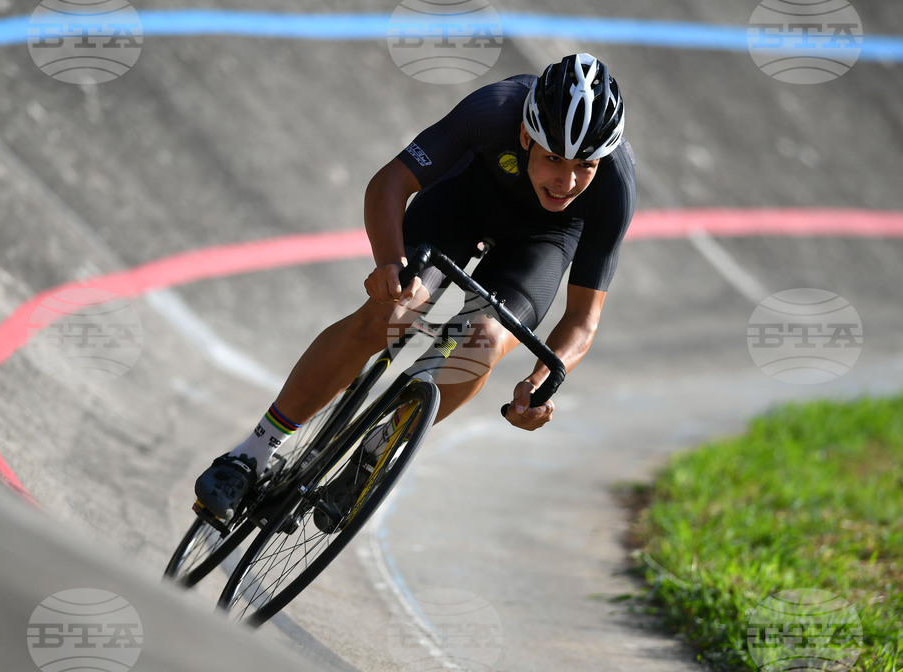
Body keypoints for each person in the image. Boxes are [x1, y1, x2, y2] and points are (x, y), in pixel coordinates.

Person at [194, 52, 636, 526]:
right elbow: (391, 182)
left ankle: (375, 454)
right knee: (392, 313)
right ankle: (252, 453)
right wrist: (390, 262)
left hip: (542, 243)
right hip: (465, 200)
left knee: (482, 343)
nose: (567, 182)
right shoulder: (494, 110)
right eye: (553, 159)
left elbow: (583, 319)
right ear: (526, 136)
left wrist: (541, 381)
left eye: (585, 165)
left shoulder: (614, 184)